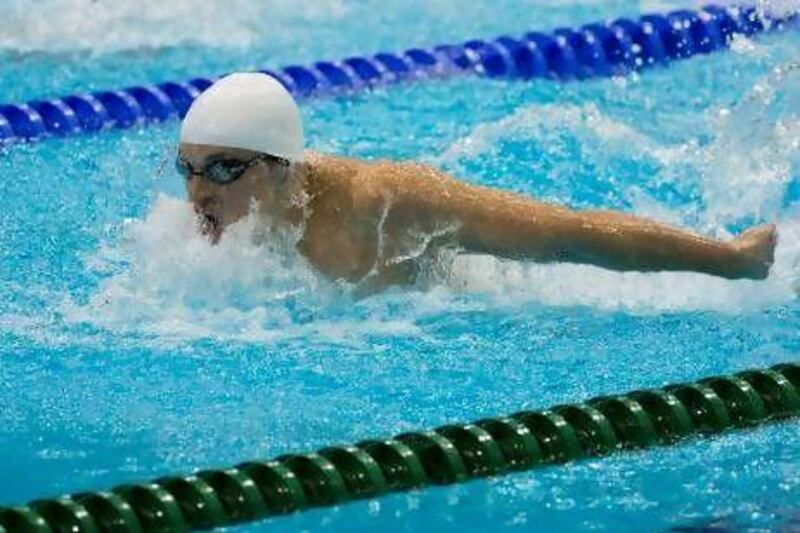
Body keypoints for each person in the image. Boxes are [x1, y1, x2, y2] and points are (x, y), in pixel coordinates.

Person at [176, 72, 777, 293]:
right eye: (190, 169)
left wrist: (728, 260)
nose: (199, 192)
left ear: (284, 169)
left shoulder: (386, 203)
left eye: (225, 168)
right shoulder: (215, 220)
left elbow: (568, 235)